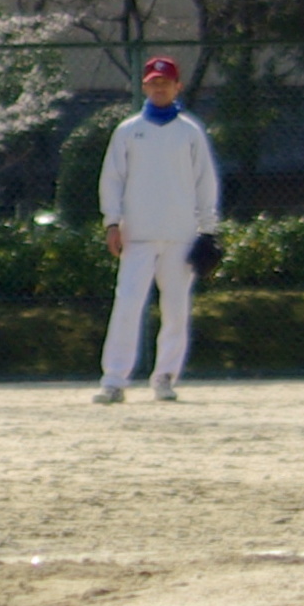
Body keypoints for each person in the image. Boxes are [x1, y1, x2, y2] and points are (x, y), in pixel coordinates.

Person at [95, 54, 222, 403]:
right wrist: (112, 222)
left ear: (177, 86)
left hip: (181, 234)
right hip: (137, 233)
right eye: (154, 83)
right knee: (127, 305)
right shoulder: (128, 131)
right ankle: (114, 380)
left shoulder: (189, 132)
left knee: (176, 309)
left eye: (165, 83)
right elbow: (112, 179)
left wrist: (208, 229)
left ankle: (165, 376)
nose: (159, 88)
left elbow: (205, 182)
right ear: (145, 86)